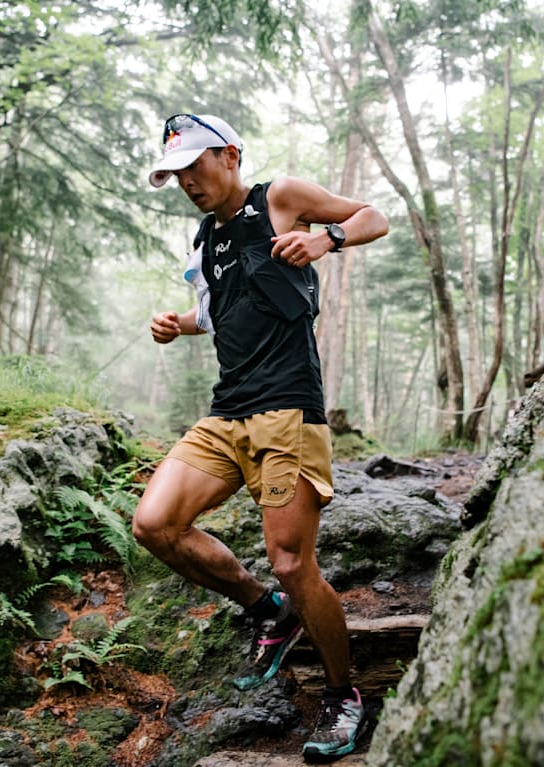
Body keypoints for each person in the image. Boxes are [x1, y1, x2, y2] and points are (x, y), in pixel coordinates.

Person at [133, 113, 388, 762]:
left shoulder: (278, 198)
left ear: (230, 155)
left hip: (288, 410)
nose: (187, 180)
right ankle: (266, 609)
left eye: (196, 165)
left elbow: (374, 216)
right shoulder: (205, 236)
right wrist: (180, 326)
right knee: (155, 523)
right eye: (176, 173)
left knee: (292, 560)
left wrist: (326, 240)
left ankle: (342, 694)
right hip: (227, 413)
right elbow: (221, 310)